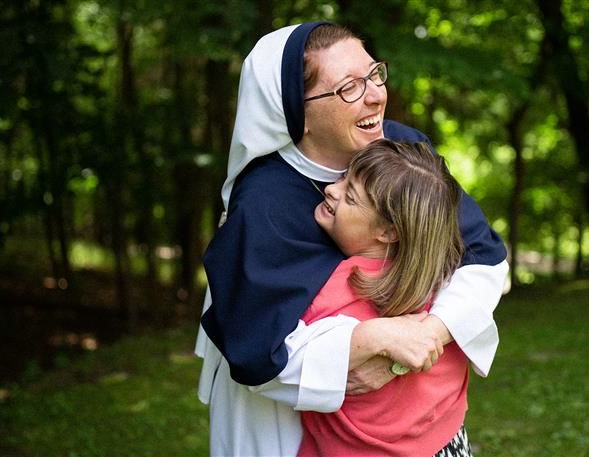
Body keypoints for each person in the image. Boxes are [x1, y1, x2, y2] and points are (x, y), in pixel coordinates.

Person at [193, 21, 508, 456]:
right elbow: (257, 350)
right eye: (349, 88)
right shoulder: (263, 204)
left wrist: (425, 336)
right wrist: (369, 342)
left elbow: (484, 258)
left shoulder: (402, 152)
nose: (376, 94)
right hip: (284, 425)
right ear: (297, 113)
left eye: (374, 74)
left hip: (419, 422)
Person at [298, 139, 472, 456]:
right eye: (343, 177)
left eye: (350, 196)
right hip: (448, 440)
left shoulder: (328, 290)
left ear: (389, 232)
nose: (332, 190)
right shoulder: (439, 281)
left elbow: (279, 357)